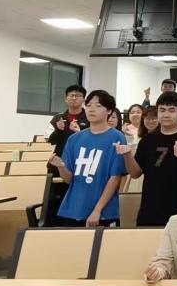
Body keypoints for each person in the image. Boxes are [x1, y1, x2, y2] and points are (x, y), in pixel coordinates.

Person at [118, 92, 177, 226]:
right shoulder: (147, 140)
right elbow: (135, 173)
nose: (166, 114)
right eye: (162, 110)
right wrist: (127, 155)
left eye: (171, 110)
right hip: (150, 208)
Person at [49, 90, 128, 227]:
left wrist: (97, 210)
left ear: (109, 110)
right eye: (89, 105)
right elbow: (69, 179)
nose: (91, 109)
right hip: (74, 209)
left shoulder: (117, 137)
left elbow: (115, 178)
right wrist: (61, 167)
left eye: (98, 106)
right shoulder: (74, 139)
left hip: (104, 211)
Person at [45, 85, 90, 225]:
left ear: (83, 99)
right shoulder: (58, 118)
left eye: (78, 95)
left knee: (78, 196)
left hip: (81, 164)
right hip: (58, 163)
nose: (74, 98)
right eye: (71, 95)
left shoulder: (89, 117)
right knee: (56, 198)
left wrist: (79, 132)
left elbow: (92, 140)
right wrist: (58, 130)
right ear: (66, 99)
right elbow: (50, 141)